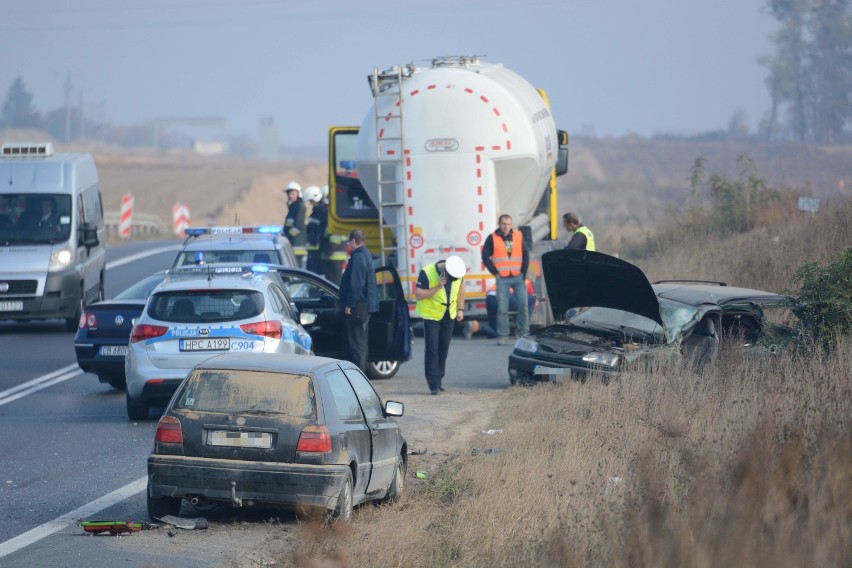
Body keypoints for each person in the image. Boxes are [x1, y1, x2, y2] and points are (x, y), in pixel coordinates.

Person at [415, 255, 467, 394]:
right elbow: (418, 294)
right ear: (445, 269)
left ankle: (439, 379)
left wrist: (460, 309)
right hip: (431, 316)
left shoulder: (457, 273)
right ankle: (433, 384)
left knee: (443, 349)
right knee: (432, 349)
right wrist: (437, 287)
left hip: (449, 315)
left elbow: (461, 288)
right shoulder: (427, 272)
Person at [481, 214, 529, 345]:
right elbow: (485, 256)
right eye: (503, 224)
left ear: (511, 224)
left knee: (523, 306)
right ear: (499, 224)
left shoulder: (518, 235)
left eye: (508, 224)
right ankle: (503, 336)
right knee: (502, 309)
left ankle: (523, 333)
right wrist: (494, 272)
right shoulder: (492, 238)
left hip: (518, 276)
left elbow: (525, 253)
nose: (506, 226)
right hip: (502, 278)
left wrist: (523, 272)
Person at [337, 229, 378, 373]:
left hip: (358, 307)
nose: (348, 245)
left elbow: (356, 284)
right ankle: (360, 374)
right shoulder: (366, 255)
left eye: (349, 242)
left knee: (357, 345)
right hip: (365, 306)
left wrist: (349, 304)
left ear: (354, 241)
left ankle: (358, 376)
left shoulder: (358, 257)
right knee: (361, 343)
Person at [464, 279, 536, 339]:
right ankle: (521, 329)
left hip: (490, 298)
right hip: (503, 298)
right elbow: (528, 298)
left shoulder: (502, 277)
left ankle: (475, 325)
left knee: (495, 330)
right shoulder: (527, 282)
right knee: (532, 299)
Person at [304, 185, 327, 275]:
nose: (310, 203)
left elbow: (320, 230)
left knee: (315, 273)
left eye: (311, 201)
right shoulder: (316, 212)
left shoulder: (321, 212)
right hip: (313, 249)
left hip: (317, 249)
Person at [283, 181, 307, 266]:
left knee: (296, 269)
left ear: (298, 194)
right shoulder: (293, 207)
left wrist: (287, 237)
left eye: (293, 194)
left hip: (297, 245)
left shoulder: (300, 207)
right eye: (289, 194)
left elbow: (297, 227)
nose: (290, 196)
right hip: (292, 244)